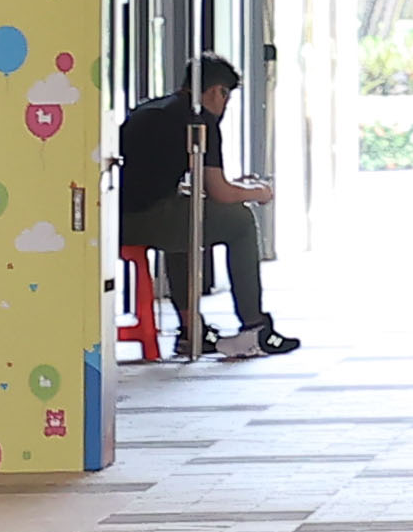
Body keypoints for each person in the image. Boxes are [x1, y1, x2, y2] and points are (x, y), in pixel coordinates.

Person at [117, 55, 299, 360]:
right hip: (148, 218)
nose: (224, 104)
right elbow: (221, 192)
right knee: (240, 221)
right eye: (225, 95)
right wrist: (258, 192)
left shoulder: (149, 110)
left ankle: (192, 330)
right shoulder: (199, 120)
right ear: (216, 91)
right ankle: (253, 327)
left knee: (188, 217)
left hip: (118, 220)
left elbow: (154, 182)